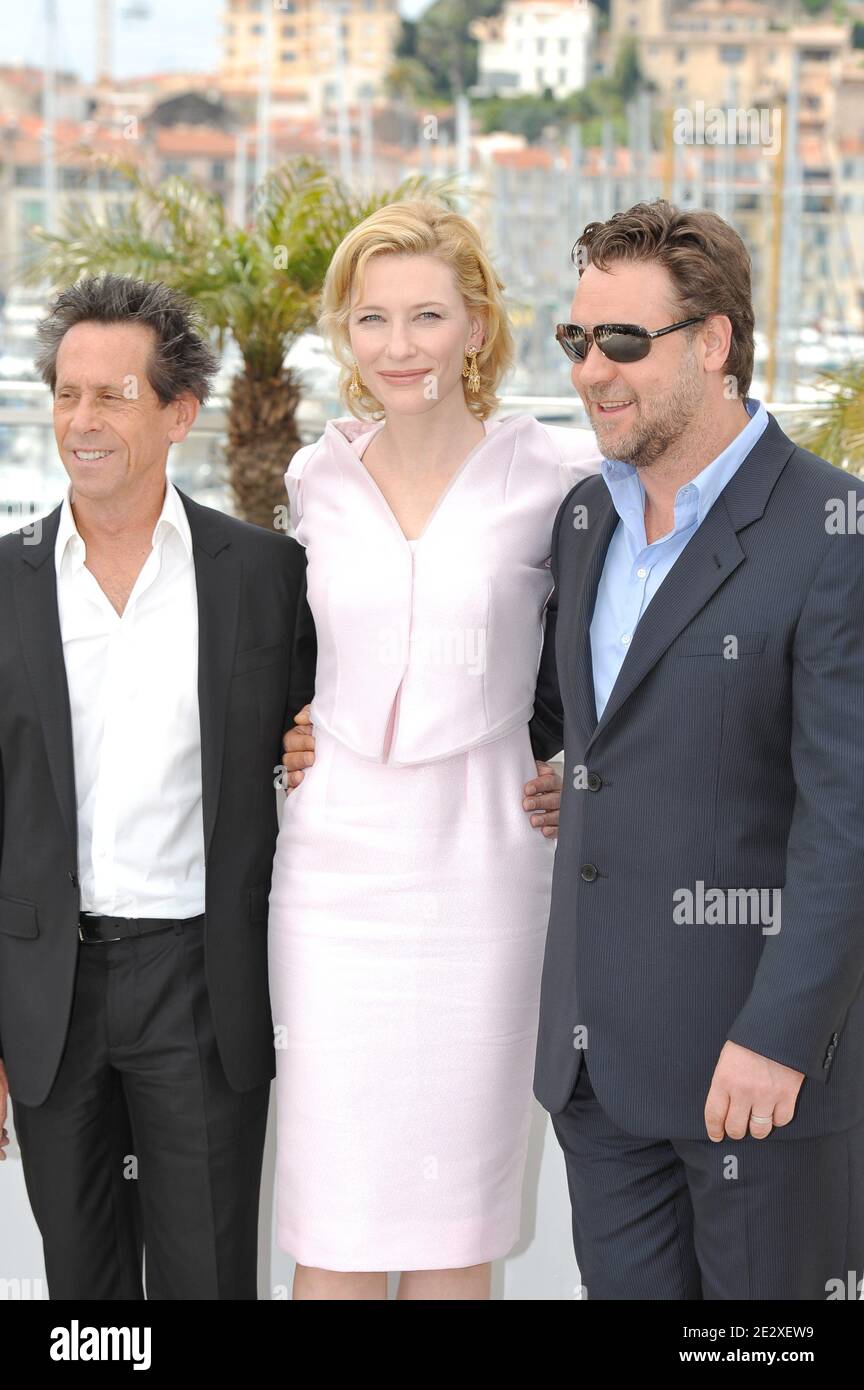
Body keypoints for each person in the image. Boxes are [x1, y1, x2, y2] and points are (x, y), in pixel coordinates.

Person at [529, 199, 864, 1299]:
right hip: (596, 1073)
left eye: (625, 341)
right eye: (578, 340)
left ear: (714, 343)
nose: (591, 370)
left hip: (756, 1078)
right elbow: (594, 729)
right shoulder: (587, 519)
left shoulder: (831, 532)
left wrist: (780, 1036)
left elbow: (846, 819)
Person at [270, 198, 602, 1300]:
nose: (398, 345)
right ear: (346, 335)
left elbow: (608, 656)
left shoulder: (552, 480)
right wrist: (286, 726)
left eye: (425, 315)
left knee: (461, 1222)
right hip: (334, 881)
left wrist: (571, 769)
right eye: (372, 319)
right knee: (337, 1217)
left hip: (484, 878)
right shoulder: (313, 480)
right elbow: (287, 653)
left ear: (476, 326)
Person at [0, 275, 315, 1298]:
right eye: (65, 393)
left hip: (201, 986)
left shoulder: (265, 575)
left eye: (114, 395)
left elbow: (336, 726)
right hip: (49, 998)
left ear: (179, 412)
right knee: (82, 1296)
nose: (81, 421)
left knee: (209, 1280)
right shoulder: (3, 584)